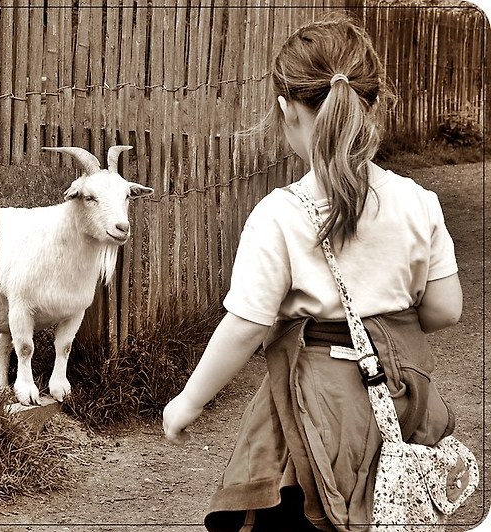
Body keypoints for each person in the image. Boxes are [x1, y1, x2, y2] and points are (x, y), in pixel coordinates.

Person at [162, 13, 462, 532]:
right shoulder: (420, 203)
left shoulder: (281, 214)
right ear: (372, 105)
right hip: (401, 400)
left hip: (315, 409)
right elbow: (444, 309)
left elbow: (247, 325)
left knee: (301, 511)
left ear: (286, 109)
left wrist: (188, 401)